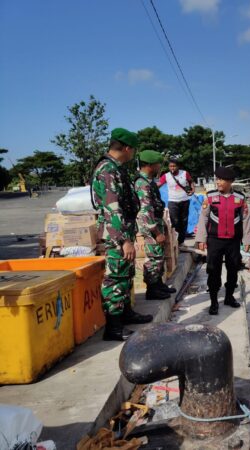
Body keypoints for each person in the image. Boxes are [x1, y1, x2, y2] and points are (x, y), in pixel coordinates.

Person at [91, 128, 152, 341]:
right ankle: (114, 328)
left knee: (125, 275)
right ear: (126, 148)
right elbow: (112, 208)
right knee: (115, 278)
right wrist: (124, 240)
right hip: (116, 234)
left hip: (122, 230)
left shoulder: (115, 168)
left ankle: (126, 313)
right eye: (133, 149)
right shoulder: (108, 170)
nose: (134, 154)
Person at [196, 166, 250, 315]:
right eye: (217, 179)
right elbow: (203, 218)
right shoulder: (210, 197)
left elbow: (246, 219)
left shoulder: (240, 198)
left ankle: (229, 297)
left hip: (233, 241)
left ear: (230, 182)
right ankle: (214, 301)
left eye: (222, 179)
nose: (218, 182)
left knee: (233, 269)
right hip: (214, 240)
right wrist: (201, 239)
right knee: (213, 270)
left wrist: (248, 240)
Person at [134, 150, 176, 301]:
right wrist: (157, 232)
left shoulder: (149, 181)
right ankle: (152, 289)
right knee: (154, 258)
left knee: (159, 256)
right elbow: (145, 211)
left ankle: (158, 284)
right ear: (150, 165)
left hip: (155, 223)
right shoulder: (142, 183)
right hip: (150, 226)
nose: (160, 167)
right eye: (158, 164)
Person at [158, 158, 195, 246]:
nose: (172, 168)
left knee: (184, 221)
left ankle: (181, 241)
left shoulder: (185, 173)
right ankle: (176, 240)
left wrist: (193, 189)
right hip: (173, 201)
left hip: (185, 201)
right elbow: (159, 184)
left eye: (174, 166)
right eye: (170, 166)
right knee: (175, 221)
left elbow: (191, 181)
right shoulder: (166, 176)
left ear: (178, 166)